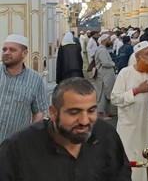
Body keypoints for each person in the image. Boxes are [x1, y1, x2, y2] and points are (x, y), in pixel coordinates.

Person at [0, 77, 132, 181]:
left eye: (91, 111)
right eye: (74, 113)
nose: (84, 121)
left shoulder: (106, 136)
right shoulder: (18, 147)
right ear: (53, 112)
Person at [111, 41, 148, 181]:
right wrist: (136, 91)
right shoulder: (125, 73)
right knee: (131, 158)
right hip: (130, 126)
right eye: (147, 54)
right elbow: (115, 98)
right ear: (138, 57)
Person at [0, 34, 48, 143]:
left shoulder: (35, 79)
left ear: (24, 53)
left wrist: (30, 137)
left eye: (12, 50)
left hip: (14, 145)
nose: (6, 52)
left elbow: (39, 112)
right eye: (4, 49)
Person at [93, 34, 116, 120]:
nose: (110, 41)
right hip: (103, 76)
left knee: (106, 94)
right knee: (101, 95)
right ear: (104, 41)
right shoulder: (102, 50)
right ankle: (101, 115)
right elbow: (105, 63)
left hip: (105, 76)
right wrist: (113, 64)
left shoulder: (103, 49)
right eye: (108, 39)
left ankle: (106, 112)